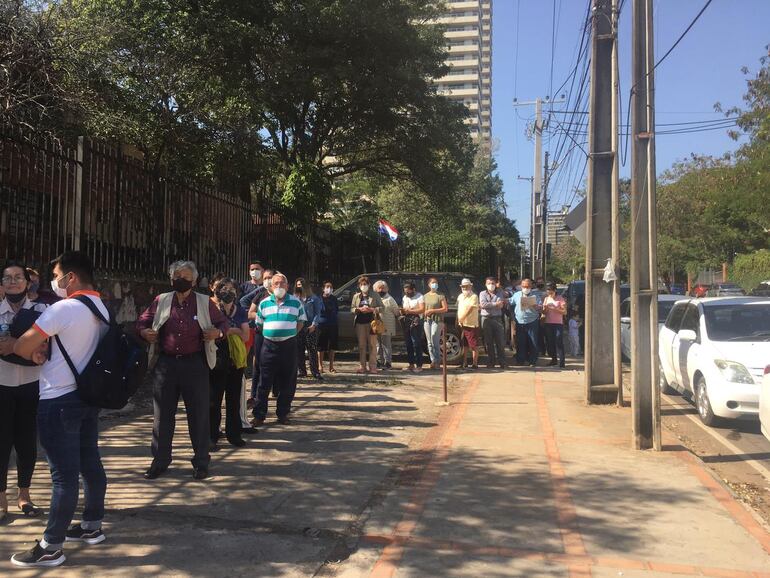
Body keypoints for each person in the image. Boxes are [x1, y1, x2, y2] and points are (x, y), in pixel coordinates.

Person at [11, 251, 109, 568]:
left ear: (71, 277)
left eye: (56, 274)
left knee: (63, 477)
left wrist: (29, 350)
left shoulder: (63, 309)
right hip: (87, 397)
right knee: (90, 463)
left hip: (58, 401)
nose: (54, 280)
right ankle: (92, 526)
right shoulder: (102, 307)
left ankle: (51, 545)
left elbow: (23, 345)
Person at [137, 260, 229, 481]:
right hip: (166, 364)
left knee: (198, 414)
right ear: (171, 279)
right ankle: (160, 461)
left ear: (194, 280)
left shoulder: (205, 303)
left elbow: (223, 324)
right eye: (177, 276)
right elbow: (142, 321)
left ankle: (201, 462)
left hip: (195, 364)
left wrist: (218, 334)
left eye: (186, 277)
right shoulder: (162, 300)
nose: (182, 280)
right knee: (162, 415)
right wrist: (144, 332)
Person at [0, 263, 48, 524]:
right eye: (7, 278)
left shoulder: (41, 311)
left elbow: (45, 348)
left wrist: (14, 348)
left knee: (27, 442)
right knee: (1, 442)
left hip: (32, 384)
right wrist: (27, 350)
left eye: (18, 277)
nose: (13, 281)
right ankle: (1, 497)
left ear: (28, 282)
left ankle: (24, 495)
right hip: (1, 384)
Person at [254, 273, 306, 425]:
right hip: (268, 346)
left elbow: (301, 321)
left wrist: (289, 333)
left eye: (282, 283)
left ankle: (283, 413)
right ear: (271, 286)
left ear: (287, 286)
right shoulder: (263, 303)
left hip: (288, 346)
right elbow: (260, 324)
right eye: (275, 283)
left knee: (288, 381)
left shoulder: (296, 302)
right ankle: (259, 414)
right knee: (264, 382)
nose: (279, 286)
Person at [208, 277, 250, 451]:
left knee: (233, 399)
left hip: (235, 359)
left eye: (232, 289)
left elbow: (246, 335)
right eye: (224, 288)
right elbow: (211, 333)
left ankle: (234, 434)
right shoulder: (211, 309)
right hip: (217, 358)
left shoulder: (239, 310)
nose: (228, 292)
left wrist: (226, 331)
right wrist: (233, 330)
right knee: (213, 399)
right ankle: (212, 435)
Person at [245, 269, 273, 414]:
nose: (268, 280)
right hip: (261, 335)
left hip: (279, 340)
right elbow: (250, 313)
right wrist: (264, 314)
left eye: (270, 277)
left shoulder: (286, 297)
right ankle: (254, 397)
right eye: (266, 278)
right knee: (258, 367)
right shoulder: (260, 295)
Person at [351, 276, 383, 374]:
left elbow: (382, 308)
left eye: (365, 284)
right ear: (359, 286)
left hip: (372, 323)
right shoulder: (356, 296)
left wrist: (372, 309)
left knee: (373, 345)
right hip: (360, 323)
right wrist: (358, 309)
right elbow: (352, 308)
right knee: (361, 346)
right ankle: (362, 366)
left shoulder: (375, 295)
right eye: (361, 285)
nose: (363, 286)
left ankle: (373, 366)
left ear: (369, 285)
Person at [294, 278, 323, 380]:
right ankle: (302, 371)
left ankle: (315, 371)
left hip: (311, 327)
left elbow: (318, 313)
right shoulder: (294, 299)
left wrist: (314, 325)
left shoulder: (314, 298)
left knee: (312, 350)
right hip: (298, 327)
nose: (299, 286)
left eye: (301, 284)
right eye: (297, 285)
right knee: (299, 349)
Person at [511, 278, 543, 367]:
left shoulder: (536, 296)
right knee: (521, 342)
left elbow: (541, 308)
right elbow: (510, 301)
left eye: (528, 286)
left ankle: (532, 361)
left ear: (531, 286)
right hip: (520, 322)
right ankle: (520, 360)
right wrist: (504, 300)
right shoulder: (517, 295)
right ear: (521, 286)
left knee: (533, 342)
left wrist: (536, 306)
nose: (526, 288)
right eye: (524, 286)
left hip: (532, 322)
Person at [479, 276, 507, 369]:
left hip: (497, 319)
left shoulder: (500, 293)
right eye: (489, 283)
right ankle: (491, 362)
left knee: (500, 342)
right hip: (486, 319)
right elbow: (483, 305)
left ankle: (502, 362)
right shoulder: (482, 293)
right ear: (485, 284)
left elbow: (501, 305)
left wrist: (490, 304)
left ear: (496, 284)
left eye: (493, 283)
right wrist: (495, 304)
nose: (491, 285)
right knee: (488, 342)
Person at [373, 280, 400, 369]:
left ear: (387, 289)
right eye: (379, 288)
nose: (381, 290)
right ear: (375, 289)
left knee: (386, 345)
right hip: (376, 325)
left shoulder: (390, 299)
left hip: (387, 326)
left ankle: (387, 362)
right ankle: (379, 361)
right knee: (377, 344)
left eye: (383, 288)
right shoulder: (374, 298)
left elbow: (396, 312)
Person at [423, 277, 448, 370]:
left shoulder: (440, 295)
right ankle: (433, 360)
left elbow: (445, 308)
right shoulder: (425, 296)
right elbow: (422, 307)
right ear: (429, 285)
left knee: (435, 340)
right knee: (429, 342)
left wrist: (433, 310)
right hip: (427, 320)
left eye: (436, 282)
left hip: (437, 320)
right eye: (433, 283)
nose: (435, 284)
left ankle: (438, 361)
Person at [400, 282, 425, 372]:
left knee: (416, 343)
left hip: (416, 320)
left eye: (408, 291)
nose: (407, 293)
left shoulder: (420, 296)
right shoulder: (405, 298)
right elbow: (404, 308)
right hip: (407, 320)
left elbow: (422, 309)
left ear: (413, 289)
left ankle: (419, 365)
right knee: (408, 343)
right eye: (405, 292)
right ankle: (411, 364)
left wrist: (410, 311)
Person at [456, 278, 479, 370]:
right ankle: (464, 362)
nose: (465, 288)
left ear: (470, 286)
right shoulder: (460, 296)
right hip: (462, 324)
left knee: (473, 345)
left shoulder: (474, 296)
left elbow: (470, 309)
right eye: (463, 286)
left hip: (471, 324)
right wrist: (458, 319)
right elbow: (459, 308)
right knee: (464, 345)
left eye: (467, 286)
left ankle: (475, 363)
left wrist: (462, 317)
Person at [542, 281, 567, 368]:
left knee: (559, 342)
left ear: (555, 291)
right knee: (550, 342)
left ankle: (562, 361)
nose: (549, 293)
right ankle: (553, 359)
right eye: (548, 291)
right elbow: (544, 312)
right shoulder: (546, 299)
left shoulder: (560, 298)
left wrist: (554, 308)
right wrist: (544, 308)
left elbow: (564, 312)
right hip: (548, 323)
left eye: (551, 292)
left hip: (558, 324)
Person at [317, 281, 339, 374]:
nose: (329, 289)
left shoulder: (334, 299)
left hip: (333, 324)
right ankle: (320, 366)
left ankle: (331, 366)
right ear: (323, 288)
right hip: (321, 325)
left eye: (330, 287)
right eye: (327, 287)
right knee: (321, 346)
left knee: (332, 346)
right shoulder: (319, 298)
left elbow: (337, 310)